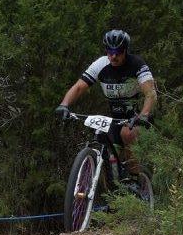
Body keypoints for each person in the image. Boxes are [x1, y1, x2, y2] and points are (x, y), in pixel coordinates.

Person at [55, 29, 157, 172]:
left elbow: (150, 94)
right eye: (110, 51)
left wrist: (144, 115)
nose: (113, 56)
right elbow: (79, 87)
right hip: (115, 118)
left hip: (137, 117)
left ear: (125, 50)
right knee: (102, 140)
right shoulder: (101, 64)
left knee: (127, 133)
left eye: (118, 52)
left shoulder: (136, 64)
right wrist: (64, 105)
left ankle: (135, 179)